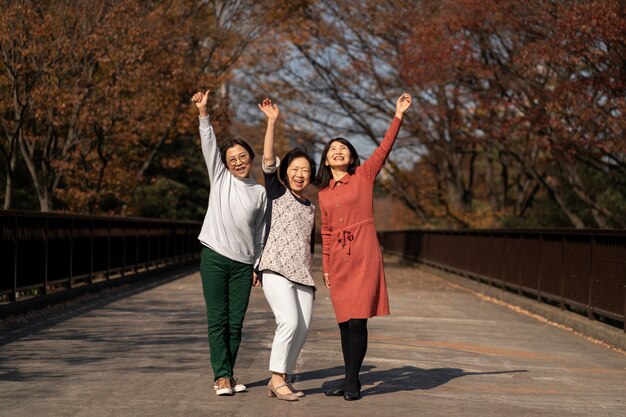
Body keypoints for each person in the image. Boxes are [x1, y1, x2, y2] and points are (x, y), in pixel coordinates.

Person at [317, 93, 413, 401]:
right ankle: (347, 379)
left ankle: (353, 380)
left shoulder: (364, 175)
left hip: (364, 253)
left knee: (358, 320)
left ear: (352, 156)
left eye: (343, 148)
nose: (338, 151)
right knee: (345, 322)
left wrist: (398, 115)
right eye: (332, 149)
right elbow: (327, 231)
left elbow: (384, 148)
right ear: (326, 160)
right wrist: (327, 267)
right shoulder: (324, 193)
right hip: (340, 262)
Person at [191, 89, 267, 396]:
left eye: (242, 157)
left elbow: (261, 232)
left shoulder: (259, 192)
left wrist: (257, 266)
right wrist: (203, 112)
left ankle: (229, 374)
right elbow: (208, 143)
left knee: (236, 323)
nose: (237, 162)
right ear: (224, 163)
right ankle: (221, 376)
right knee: (217, 319)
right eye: (231, 159)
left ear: (251, 157)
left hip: (243, 264)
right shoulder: (221, 178)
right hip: (214, 257)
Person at [257, 98, 317, 402]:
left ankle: (284, 375)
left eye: (306, 170)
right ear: (286, 171)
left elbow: (311, 245)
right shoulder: (276, 191)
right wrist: (272, 122)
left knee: (304, 328)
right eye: (295, 169)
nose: (300, 174)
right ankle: (277, 378)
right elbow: (268, 160)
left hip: (303, 273)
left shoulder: (311, 207)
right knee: (289, 321)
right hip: (275, 267)